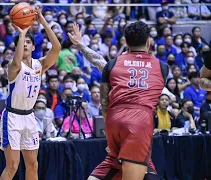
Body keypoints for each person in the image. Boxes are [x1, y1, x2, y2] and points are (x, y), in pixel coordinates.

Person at [68, 22, 168, 179]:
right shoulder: (162, 67)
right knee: (136, 168)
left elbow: (104, 102)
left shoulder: (113, 64)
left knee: (122, 164)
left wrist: (81, 45)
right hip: (140, 120)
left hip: (114, 119)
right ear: (148, 42)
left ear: (126, 43)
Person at [0, 7, 61, 180]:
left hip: (29, 117)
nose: (25, 44)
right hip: (12, 117)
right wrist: (21, 33)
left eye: (28, 42)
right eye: (22, 42)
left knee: (33, 165)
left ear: (34, 46)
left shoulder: (39, 66)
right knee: (12, 166)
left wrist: (42, 21)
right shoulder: (13, 67)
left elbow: (56, 48)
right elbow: (17, 59)